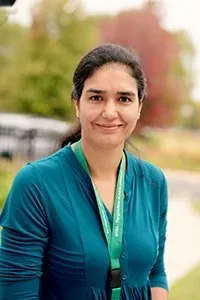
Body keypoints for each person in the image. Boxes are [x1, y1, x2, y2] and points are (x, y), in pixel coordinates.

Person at [0, 43, 169, 300]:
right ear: (77, 104)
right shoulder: (36, 184)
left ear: (139, 107)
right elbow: (16, 293)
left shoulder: (154, 183)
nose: (109, 111)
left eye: (124, 98)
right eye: (96, 97)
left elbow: (155, 272)